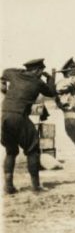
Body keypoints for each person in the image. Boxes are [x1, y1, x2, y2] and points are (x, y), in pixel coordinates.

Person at [1, 59, 56, 194]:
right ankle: (36, 187)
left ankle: (8, 186)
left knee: (11, 151)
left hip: (4, 116)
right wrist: (50, 77)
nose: (41, 73)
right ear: (37, 70)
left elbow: (4, 73)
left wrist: (3, 87)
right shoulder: (38, 82)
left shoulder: (14, 74)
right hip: (19, 116)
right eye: (41, 71)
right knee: (33, 150)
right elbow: (51, 92)